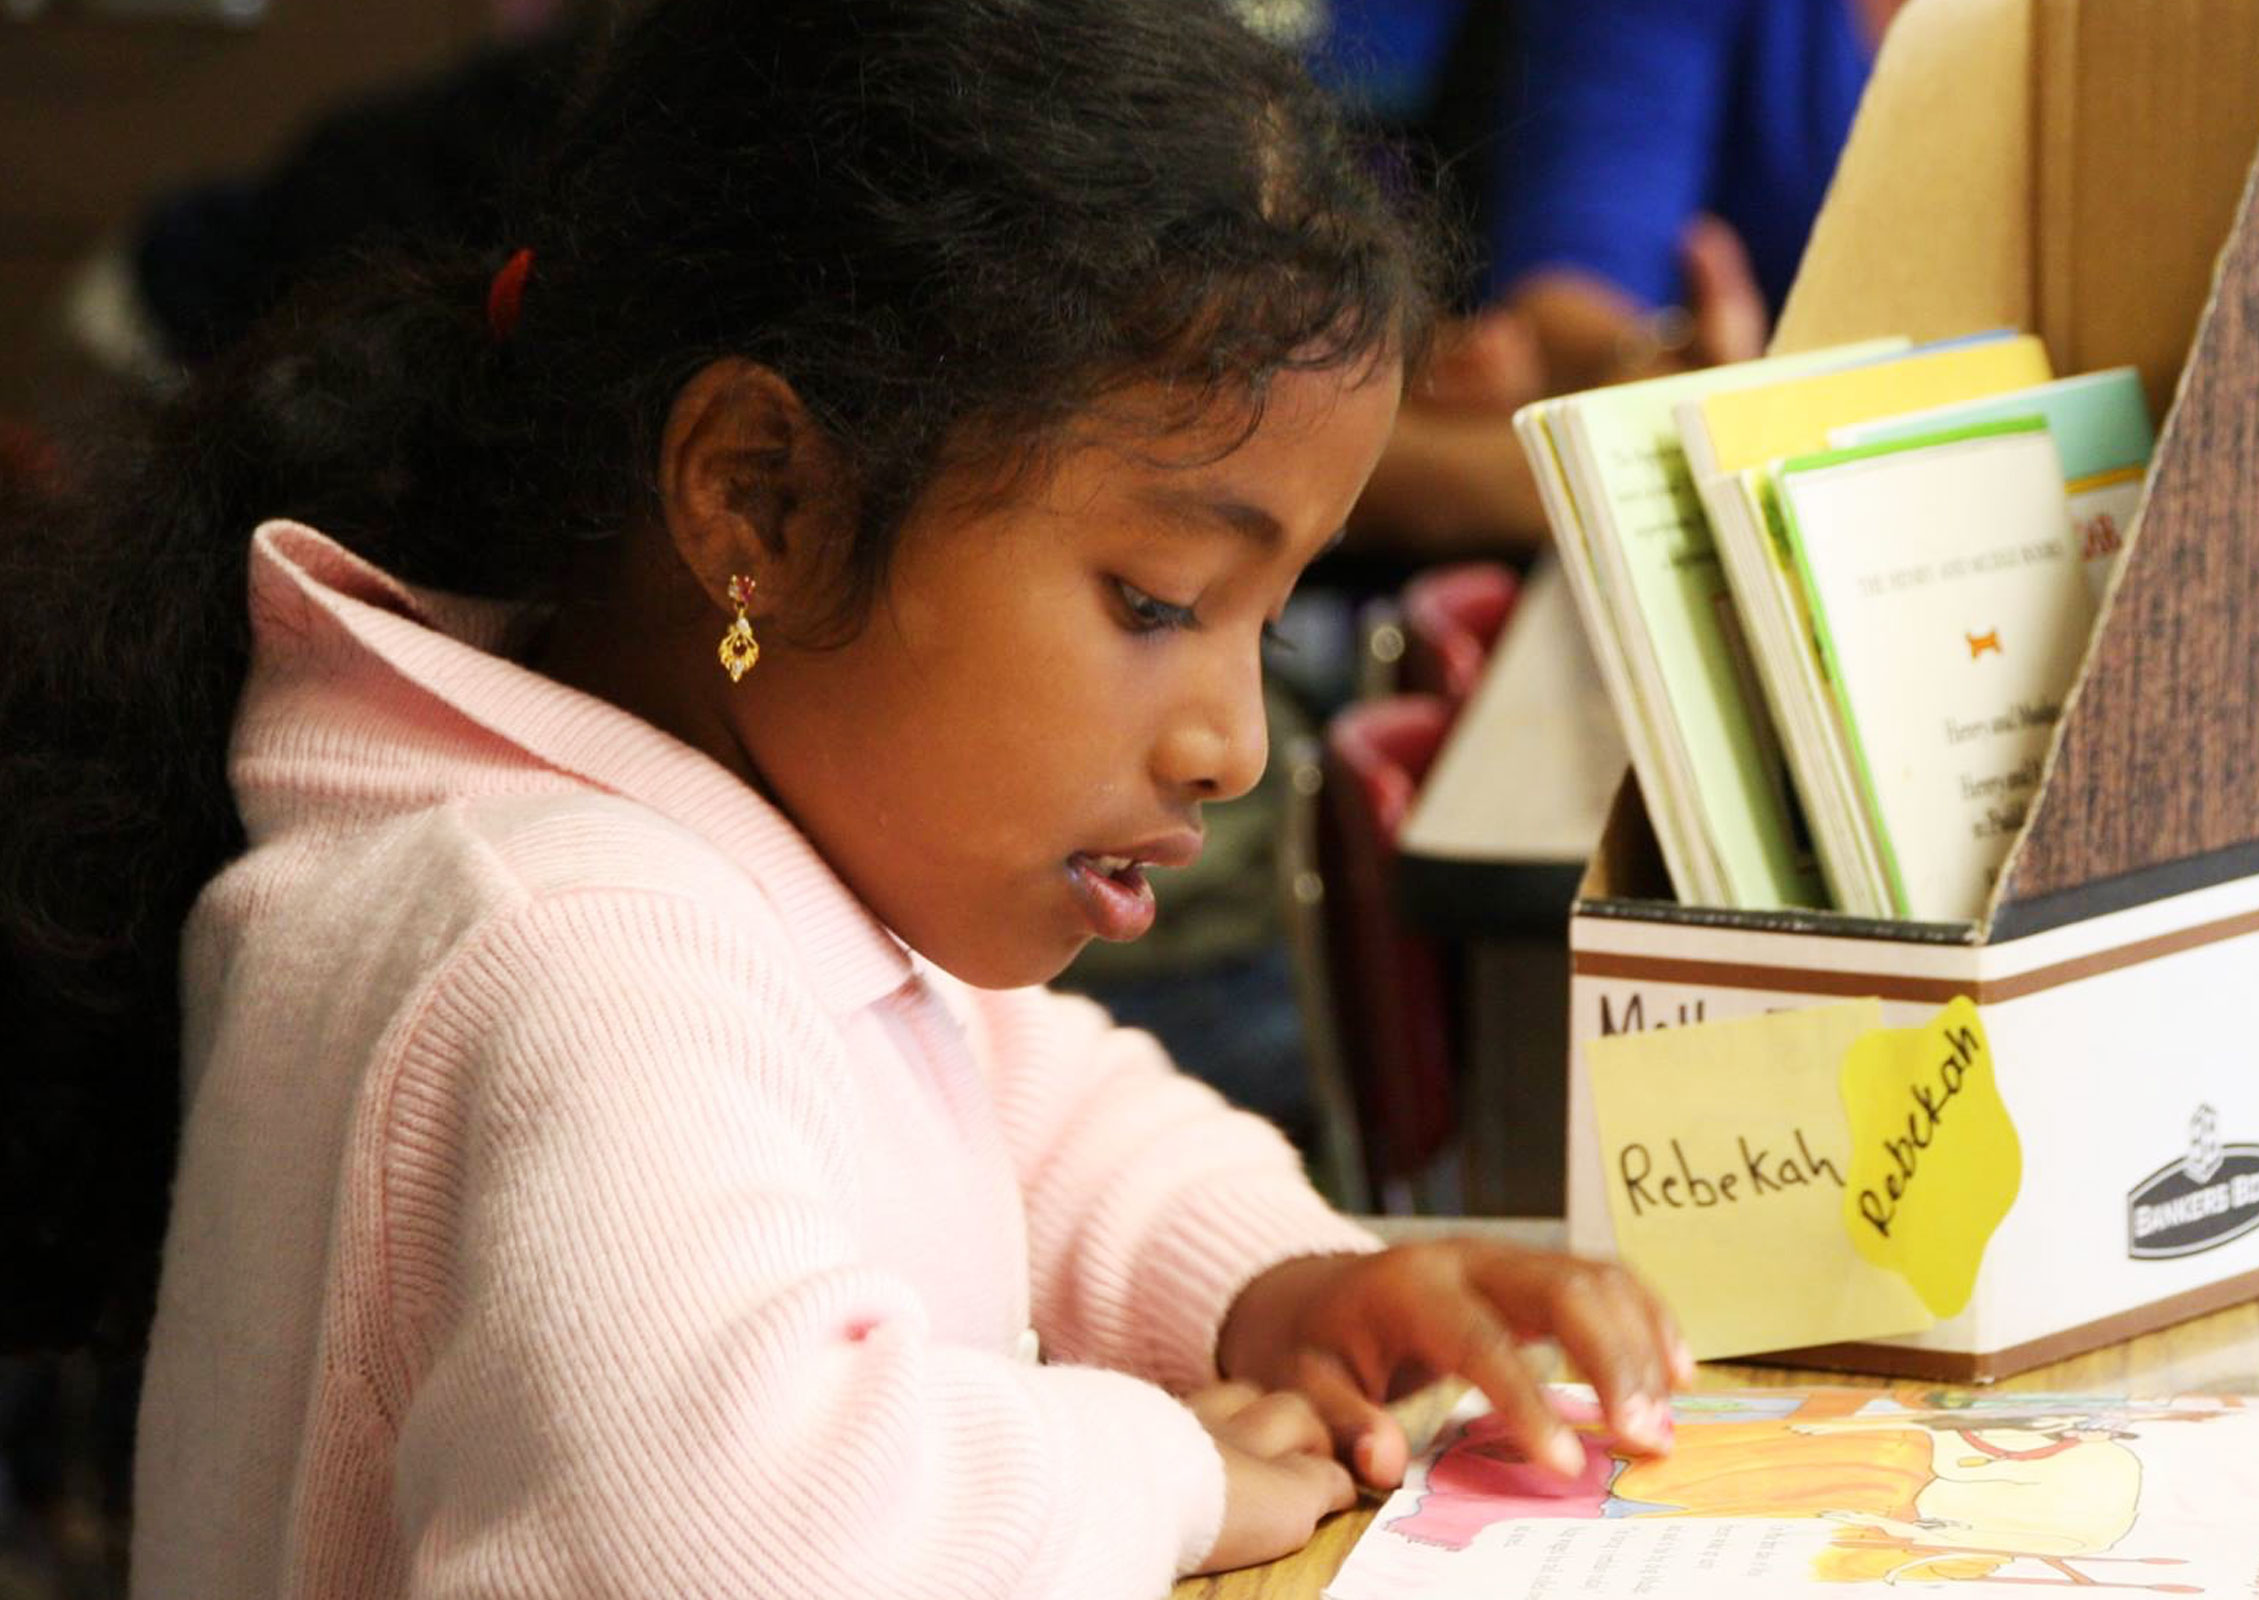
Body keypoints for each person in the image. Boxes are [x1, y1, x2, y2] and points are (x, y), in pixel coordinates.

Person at [0, 0, 1692, 1591]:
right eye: (1157, 602)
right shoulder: (568, 946)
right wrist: (1162, 1462)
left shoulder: (707, 858)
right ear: (765, 504)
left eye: (1262, 619)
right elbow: (738, 1538)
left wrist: (1280, 1284)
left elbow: (1013, 1100)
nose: (1232, 745)